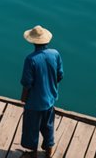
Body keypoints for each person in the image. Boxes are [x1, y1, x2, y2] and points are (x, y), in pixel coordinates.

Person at [19, 25, 64, 158]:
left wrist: (23, 98)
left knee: (31, 126)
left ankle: (33, 152)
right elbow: (60, 75)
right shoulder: (55, 54)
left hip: (34, 101)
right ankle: (49, 149)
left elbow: (27, 82)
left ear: (33, 41)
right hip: (49, 99)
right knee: (48, 125)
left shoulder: (30, 59)